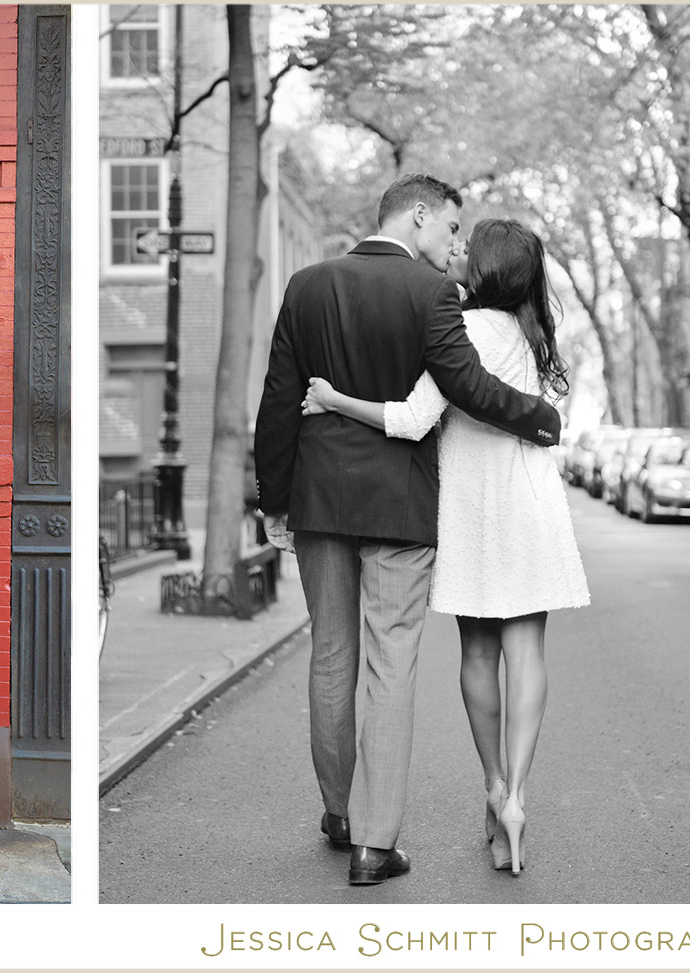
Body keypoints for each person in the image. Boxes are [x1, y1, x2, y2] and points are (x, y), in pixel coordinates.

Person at [253, 173, 561, 886]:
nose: (455, 243)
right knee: (391, 665)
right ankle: (375, 844)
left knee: (330, 656)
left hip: (320, 500)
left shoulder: (305, 285)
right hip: (399, 506)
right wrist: (539, 417)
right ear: (418, 215)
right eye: (451, 228)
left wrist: (272, 498)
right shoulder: (432, 296)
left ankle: (339, 814)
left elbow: (278, 400)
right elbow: (466, 386)